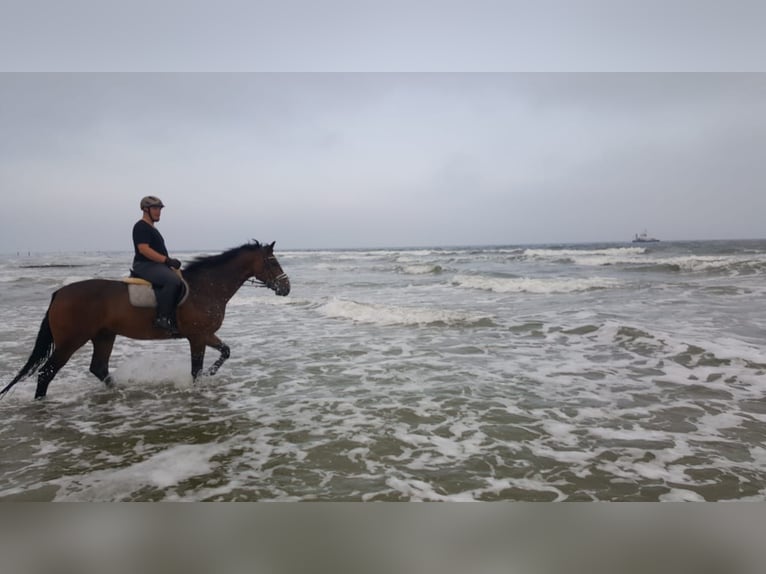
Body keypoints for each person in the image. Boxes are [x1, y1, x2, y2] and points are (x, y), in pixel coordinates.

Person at [132, 196, 183, 334]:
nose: (158, 212)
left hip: (155, 265)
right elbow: (144, 249)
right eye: (155, 209)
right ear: (145, 210)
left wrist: (170, 261)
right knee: (172, 281)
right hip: (144, 265)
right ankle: (162, 318)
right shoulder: (141, 226)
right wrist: (167, 260)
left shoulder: (152, 228)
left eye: (160, 209)